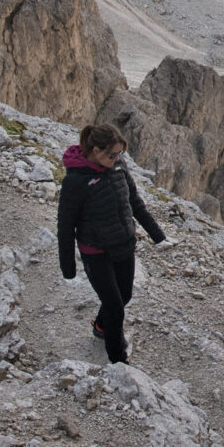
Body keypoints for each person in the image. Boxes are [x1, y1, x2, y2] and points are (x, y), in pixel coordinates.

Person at [57, 123, 167, 363]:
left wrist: (157, 234)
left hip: (124, 244)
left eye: (120, 154)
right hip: (96, 251)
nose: (117, 158)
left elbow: (135, 201)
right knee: (115, 306)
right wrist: (68, 267)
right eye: (112, 154)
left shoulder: (118, 166)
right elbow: (66, 226)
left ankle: (100, 325)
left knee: (124, 295)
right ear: (96, 151)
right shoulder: (75, 181)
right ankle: (118, 360)